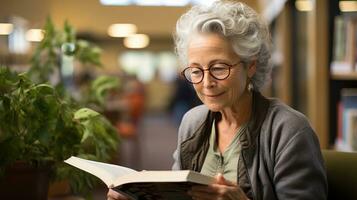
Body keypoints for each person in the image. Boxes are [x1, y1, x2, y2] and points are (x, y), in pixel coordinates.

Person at [107, 1, 328, 200]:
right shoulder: (192, 122)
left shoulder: (288, 130)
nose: (206, 83)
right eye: (196, 70)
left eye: (219, 68)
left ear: (250, 65)